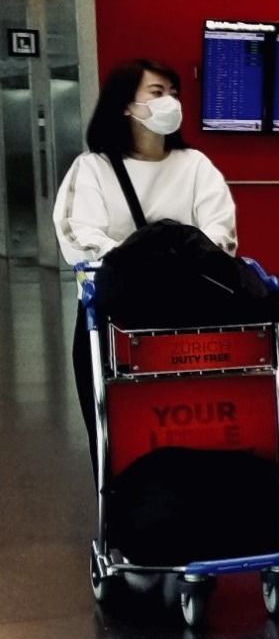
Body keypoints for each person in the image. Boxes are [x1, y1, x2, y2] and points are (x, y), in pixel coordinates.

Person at [53, 58, 237, 483]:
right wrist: (152, 262)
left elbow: (220, 236)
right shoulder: (93, 169)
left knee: (189, 418)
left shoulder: (196, 166)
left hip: (190, 316)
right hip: (118, 314)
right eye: (157, 93)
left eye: (173, 93)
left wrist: (167, 261)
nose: (170, 102)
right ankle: (126, 507)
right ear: (125, 106)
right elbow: (79, 236)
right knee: (121, 423)